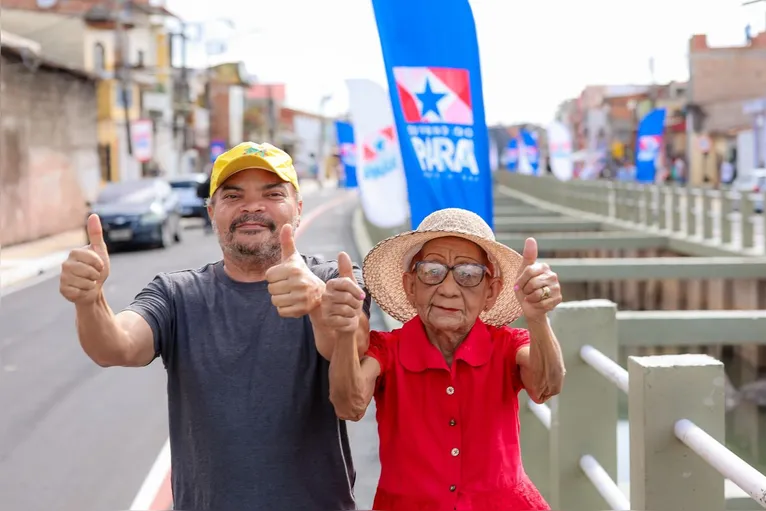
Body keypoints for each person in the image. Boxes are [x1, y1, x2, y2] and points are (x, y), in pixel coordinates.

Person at [59, 142, 371, 510]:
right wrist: (89, 299)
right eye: (233, 195)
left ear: (298, 208)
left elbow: (352, 349)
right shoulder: (176, 294)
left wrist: (318, 303)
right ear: (211, 212)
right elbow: (116, 346)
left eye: (272, 194)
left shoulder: (336, 279)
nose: (252, 207)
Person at [320, 208, 565, 510]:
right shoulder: (388, 349)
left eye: (468, 275)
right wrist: (345, 333)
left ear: (491, 292)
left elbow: (547, 384)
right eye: (432, 272)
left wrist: (538, 318)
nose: (448, 289)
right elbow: (349, 404)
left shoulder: (507, 345)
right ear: (411, 286)